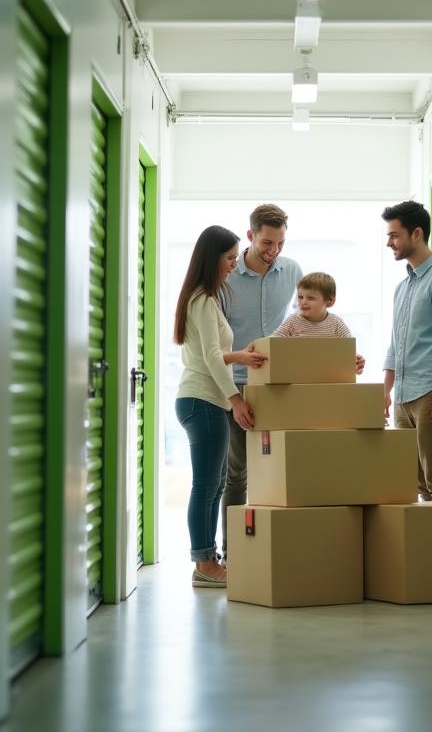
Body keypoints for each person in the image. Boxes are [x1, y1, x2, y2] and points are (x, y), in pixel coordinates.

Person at [174, 225, 266, 588]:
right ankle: (204, 563)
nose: (233, 265)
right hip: (204, 401)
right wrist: (236, 399)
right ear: (212, 258)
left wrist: (238, 355)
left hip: (202, 399)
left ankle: (208, 560)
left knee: (214, 486)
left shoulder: (203, 298)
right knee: (206, 485)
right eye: (229, 259)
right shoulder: (202, 298)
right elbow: (210, 357)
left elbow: (204, 353)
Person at [221, 204, 304, 558]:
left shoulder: (292, 271)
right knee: (236, 473)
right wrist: (232, 398)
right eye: (268, 242)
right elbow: (216, 343)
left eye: (281, 242)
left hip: (278, 386)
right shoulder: (225, 276)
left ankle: (274, 549)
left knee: (278, 472)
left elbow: (304, 324)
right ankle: (235, 552)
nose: (274, 250)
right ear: (251, 236)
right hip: (236, 384)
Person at [382, 200, 432, 502]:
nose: (389, 242)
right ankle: (430, 546)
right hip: (404, 396)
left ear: (416, 234)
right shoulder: (402, 287)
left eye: (394, 235)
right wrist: (386, 390)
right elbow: (395, 343)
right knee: (416, 482)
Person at [273, 272, 354, 341]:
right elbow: (272, 342)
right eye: (300, 297)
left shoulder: (336, 323)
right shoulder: (292, 322)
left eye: (311, 298)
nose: (303, 302)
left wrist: (355, 357)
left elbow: (349, 347)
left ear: (329, 302)